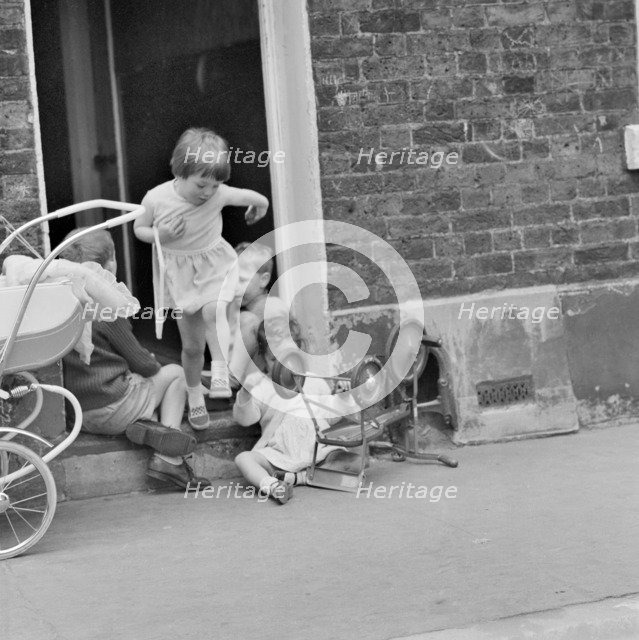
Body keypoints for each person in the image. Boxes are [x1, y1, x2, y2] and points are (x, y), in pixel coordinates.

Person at [133, 128, 268, 429]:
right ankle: (195, 396)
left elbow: (252, 196)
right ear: (180, 172)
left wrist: (261, 206)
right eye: (201, 184)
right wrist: (161, 235)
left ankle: (220, 371)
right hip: (180, 276)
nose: (208, 192)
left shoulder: (218, 194)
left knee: (214, 309)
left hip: (214, 266)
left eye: (215, 184)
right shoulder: (156, 198)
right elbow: (138, 228)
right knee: (192, 346)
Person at [61, 228, 209, 490]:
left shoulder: (58, 304)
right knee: (177, 374)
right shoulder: (107, 307)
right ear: (110, 263)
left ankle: (147, 422)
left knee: (143, 385)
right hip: (113, 406)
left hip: (79, 413)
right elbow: (144, 365)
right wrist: (152, 360)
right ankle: (169, 459)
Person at [233, 319, 343, 504]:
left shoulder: (314, 380)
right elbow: (245, 419)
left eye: (288, 359)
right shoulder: (262, 386)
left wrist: (342, 397)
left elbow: (330, 418)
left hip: (317, 449)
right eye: (274, 360)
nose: (282, 367)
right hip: (280, 452)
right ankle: (273, 485)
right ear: (264, 359)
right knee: (244, 459)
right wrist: (245, 394)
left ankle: (296, 478)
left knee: (356, 460)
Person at [227, 241, 281, 389]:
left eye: (242, 280)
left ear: (264, 279)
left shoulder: (272, 306)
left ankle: (229, 378)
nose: (235, 286)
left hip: (268, 381)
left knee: (247, 320)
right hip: (249, 381)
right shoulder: (241, 308)